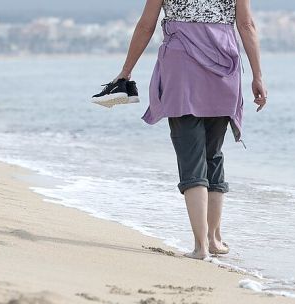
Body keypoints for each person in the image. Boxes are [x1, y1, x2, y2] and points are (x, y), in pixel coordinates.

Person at [113, 0, 266, 260]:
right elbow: (246, 25)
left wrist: (125, 72)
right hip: (223, 66)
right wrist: (258, 76)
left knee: (191, 154)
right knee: (213, 154)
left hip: (181, 69)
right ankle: (214, 240)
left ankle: (201, 247)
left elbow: (145, 25)